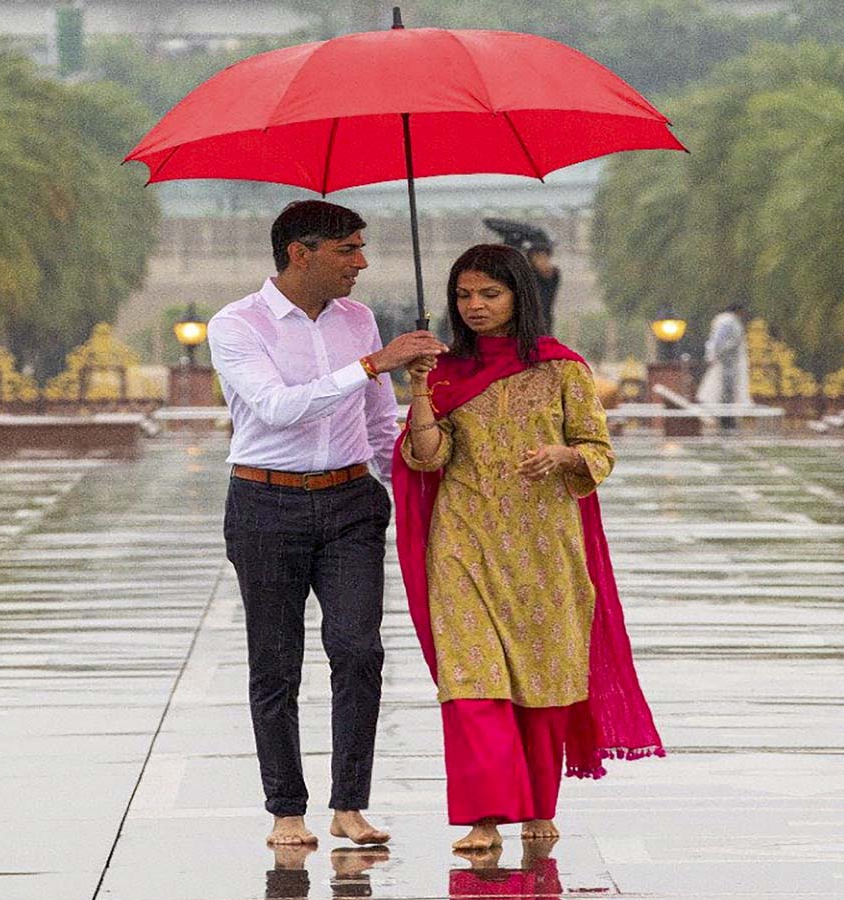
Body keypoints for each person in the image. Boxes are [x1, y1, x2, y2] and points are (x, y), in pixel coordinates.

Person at [392, 244, 663, 852]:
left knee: (544, 678)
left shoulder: (562, 368)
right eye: (464, 296)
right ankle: (484, 816)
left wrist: (565, 455)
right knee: (471, 680)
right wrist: (420, 396)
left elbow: (598, 450)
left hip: (545, 545)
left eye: (490, 294)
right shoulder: (443, 370)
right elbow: (426, 458)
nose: (475, 306)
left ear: (519, 295)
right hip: (464, 542)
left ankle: (540, 804)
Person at [207, 200, 448, 847]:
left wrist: (410, 492)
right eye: (348, 250)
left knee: (358, 650)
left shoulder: (359, 320)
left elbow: (374, 423)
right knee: (276, 662)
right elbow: (277, 408)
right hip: (265, 504)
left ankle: (350, 804)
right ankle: (287, 809)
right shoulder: (237, 324)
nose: (361, 263)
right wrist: (372, 363)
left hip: (350, 504)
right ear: (300, 252)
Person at [696, 302, 751, 430]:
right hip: (727, 364)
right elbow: (720, 343)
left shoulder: (725, 321)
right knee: (726, 391)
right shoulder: (728, 322)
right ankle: (726, 420)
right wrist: (719, 356)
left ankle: (727, 419)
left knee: (726, 391)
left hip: (728, 363)